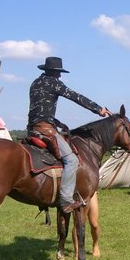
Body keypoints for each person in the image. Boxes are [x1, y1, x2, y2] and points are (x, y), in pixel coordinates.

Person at [26, 57, 112, 213]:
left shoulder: (35, 83)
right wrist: (98, 109)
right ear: (53, 72)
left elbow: (40, 111)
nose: (59, 76)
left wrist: (58, 123)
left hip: (32, 128)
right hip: (45, 129)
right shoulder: (54, 83)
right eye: (58, 73)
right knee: (71, 160)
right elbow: (75, 96)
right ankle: (66, 200)